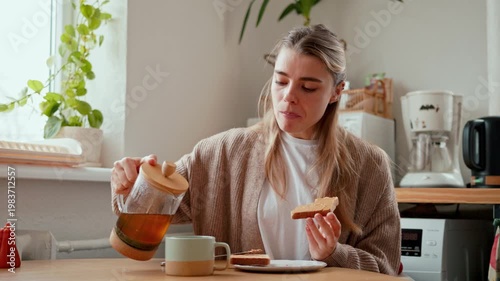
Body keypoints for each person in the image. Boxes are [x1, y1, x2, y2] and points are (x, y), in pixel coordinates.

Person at [111, 24, 401, 276]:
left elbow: (385, 267)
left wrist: (334, 254)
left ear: (336, 92)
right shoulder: (223, 153)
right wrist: (131, 184)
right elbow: (157, 206)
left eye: (308, 88)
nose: (288, 97)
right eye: (281, 81)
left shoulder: (370, 166)